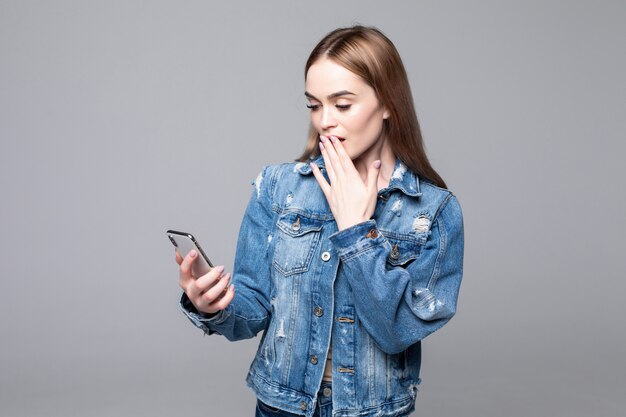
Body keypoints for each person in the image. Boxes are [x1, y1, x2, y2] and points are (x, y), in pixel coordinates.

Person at [176, 25, 464, 417]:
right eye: (314, 105)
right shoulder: (278, 187)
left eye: (342, 105)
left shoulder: (433, 212)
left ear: (387, 104)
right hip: (281, 406)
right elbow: (254, 311)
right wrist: (211, 305)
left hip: (374, 410)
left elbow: (398, 332)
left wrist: (356, 233)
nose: (324, 120)